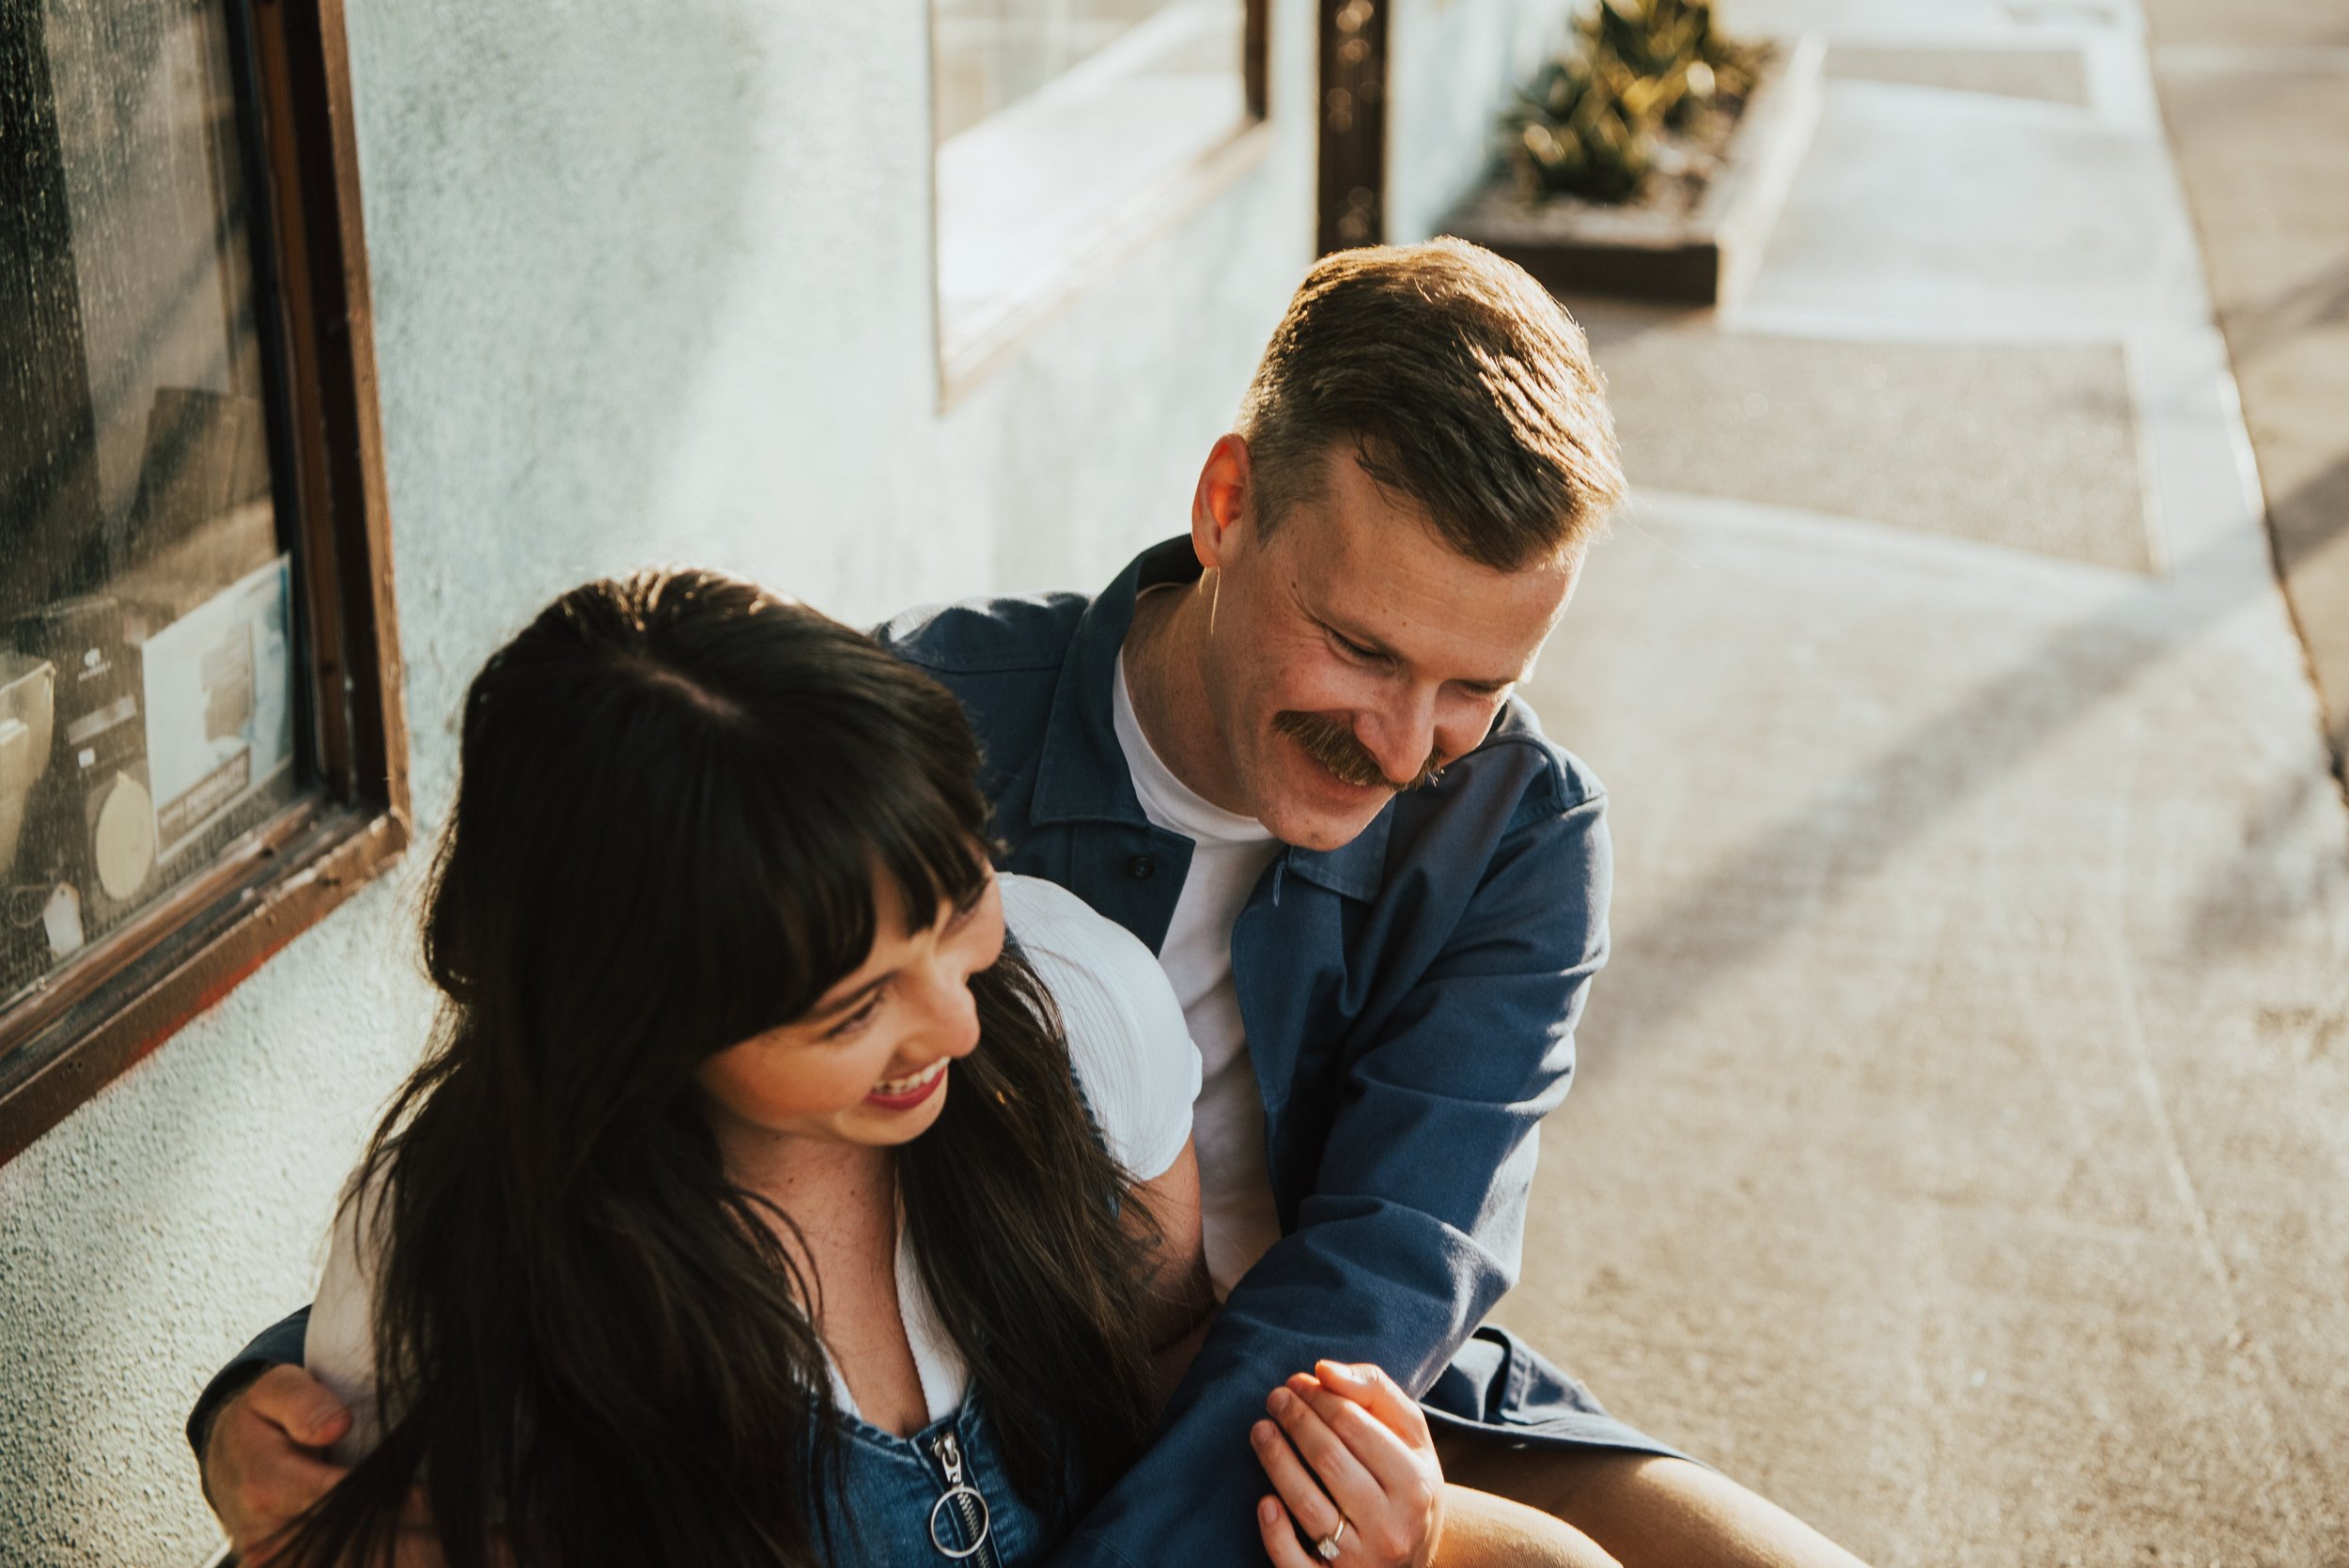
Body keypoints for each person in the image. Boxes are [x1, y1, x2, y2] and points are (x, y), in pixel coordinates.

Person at [194, 241, 1871, 1566]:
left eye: (1475, 686)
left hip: (1333, 1388)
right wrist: (280, 1386)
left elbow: (1393, 1260)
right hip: (1006, 1374)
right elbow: (612, 1037)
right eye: (1362, 648)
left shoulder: (1521, 828)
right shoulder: (922, 734)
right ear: (1228, 507)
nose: (1403, 743)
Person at [240, 567, 1603, 1568]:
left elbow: (1171, 1374)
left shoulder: (1074, 1000)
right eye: (851, 1011)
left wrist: (1380, 1527)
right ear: (637, 1023)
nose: (958, 1026)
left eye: (958, 913)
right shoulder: (456, 1263)